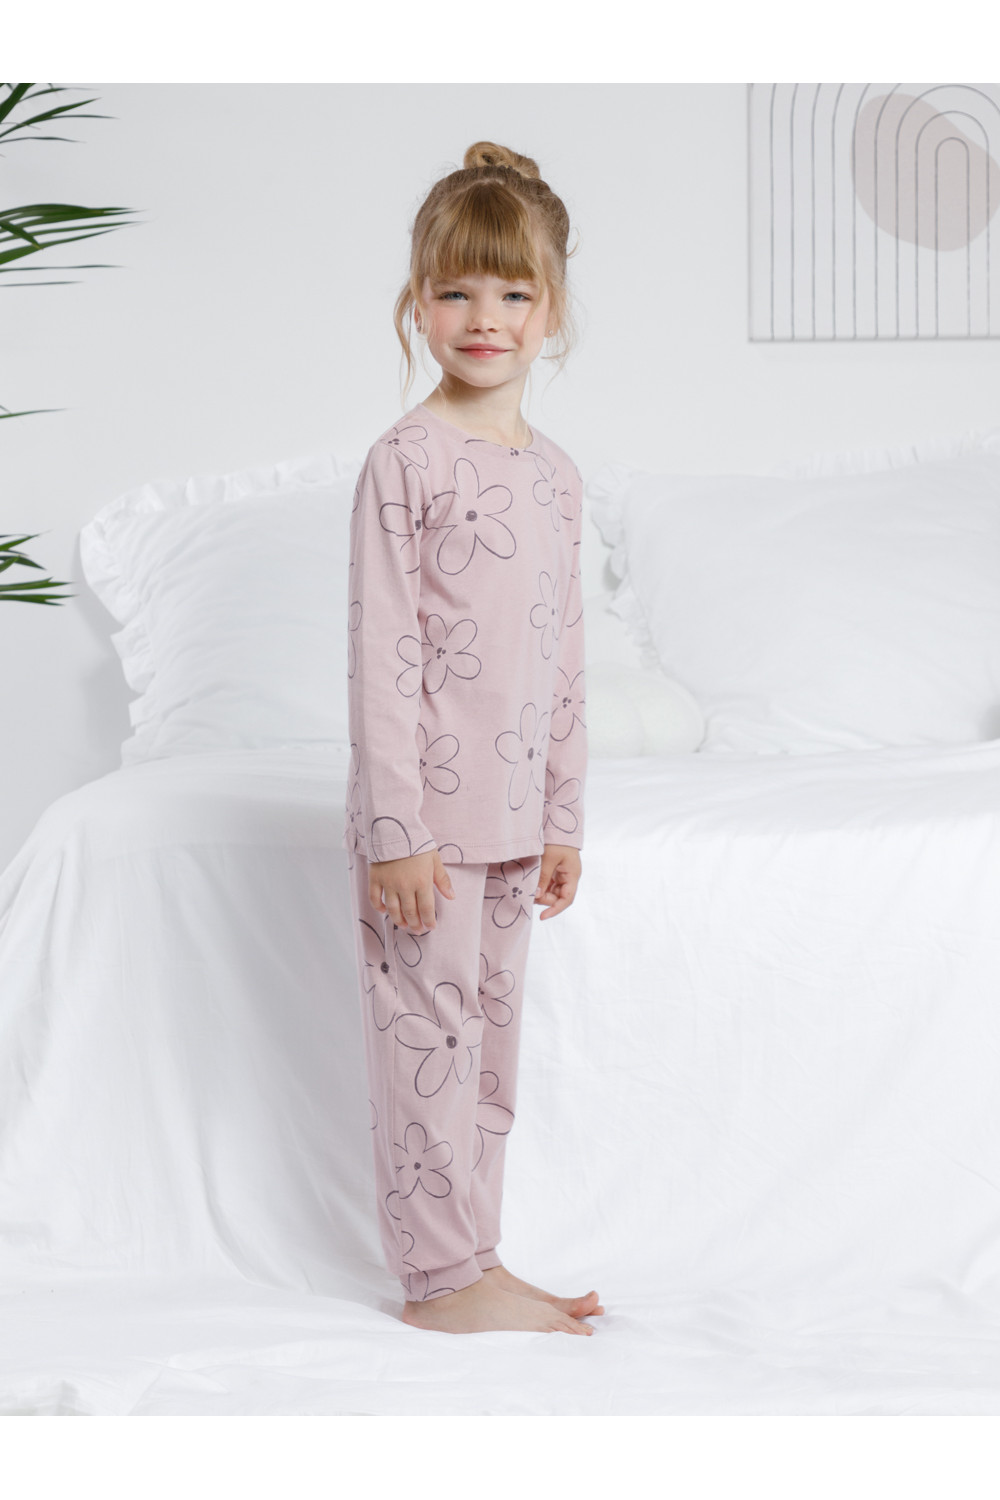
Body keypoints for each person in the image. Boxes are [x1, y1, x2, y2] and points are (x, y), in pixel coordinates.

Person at [344, 140, 602, 1336]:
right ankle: (439, 1281)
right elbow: (383, 652)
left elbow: (562, 657)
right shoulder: (405, 461)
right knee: (426, 1042)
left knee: (487, 1050)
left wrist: (562, 818)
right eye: (454, 291)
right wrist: (395, 830)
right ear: (417, 304)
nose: (482, 316)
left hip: (511, 823)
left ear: (550, 310)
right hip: (427, 830)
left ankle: (475, 1261)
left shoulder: (556, 476)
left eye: (510, 292)